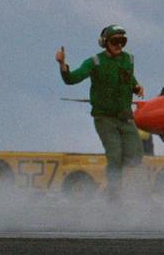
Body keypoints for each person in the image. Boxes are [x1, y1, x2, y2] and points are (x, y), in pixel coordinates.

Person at [56, 25, 145, 201]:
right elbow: (72, 79)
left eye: (123, 41)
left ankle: (130, 192)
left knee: (136, 155)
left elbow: (128, 78)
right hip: (105, 119)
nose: (119, 45)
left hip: (125, 117)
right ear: (104, 43)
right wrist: (62, 65)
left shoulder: (128, 59)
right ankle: (114, 196)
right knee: (115, 156)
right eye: (115, 41)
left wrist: (136, 87)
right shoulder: (94, 62)